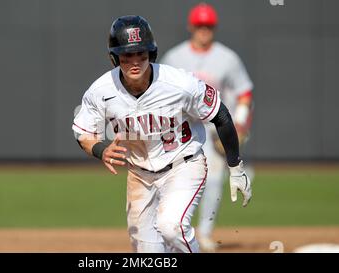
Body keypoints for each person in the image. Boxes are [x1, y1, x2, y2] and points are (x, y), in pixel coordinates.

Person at [72, 15, 251, 253]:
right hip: (139, 176)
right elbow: (83, 132)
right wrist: (100, 149)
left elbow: (220, 114)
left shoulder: (179, 84)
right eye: (127, 56)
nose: (135, 62)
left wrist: (235, 166)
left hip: (183, 165)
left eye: (141, 54)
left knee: (172, 226)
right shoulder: (101, 91)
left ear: (152, 54)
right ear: (114, 58)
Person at [161, 3, 255, 252]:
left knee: (214, 178)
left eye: (208, 26)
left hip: (215, 129)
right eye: (200, 25)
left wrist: (241, 121)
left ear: (214, 28)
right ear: (191, 26)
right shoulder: (174, 57)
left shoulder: (228, 58)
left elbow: (244, 92)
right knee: (171, 179)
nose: (204, 30)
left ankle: (204, 232)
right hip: (184, 130)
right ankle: (175, 230)